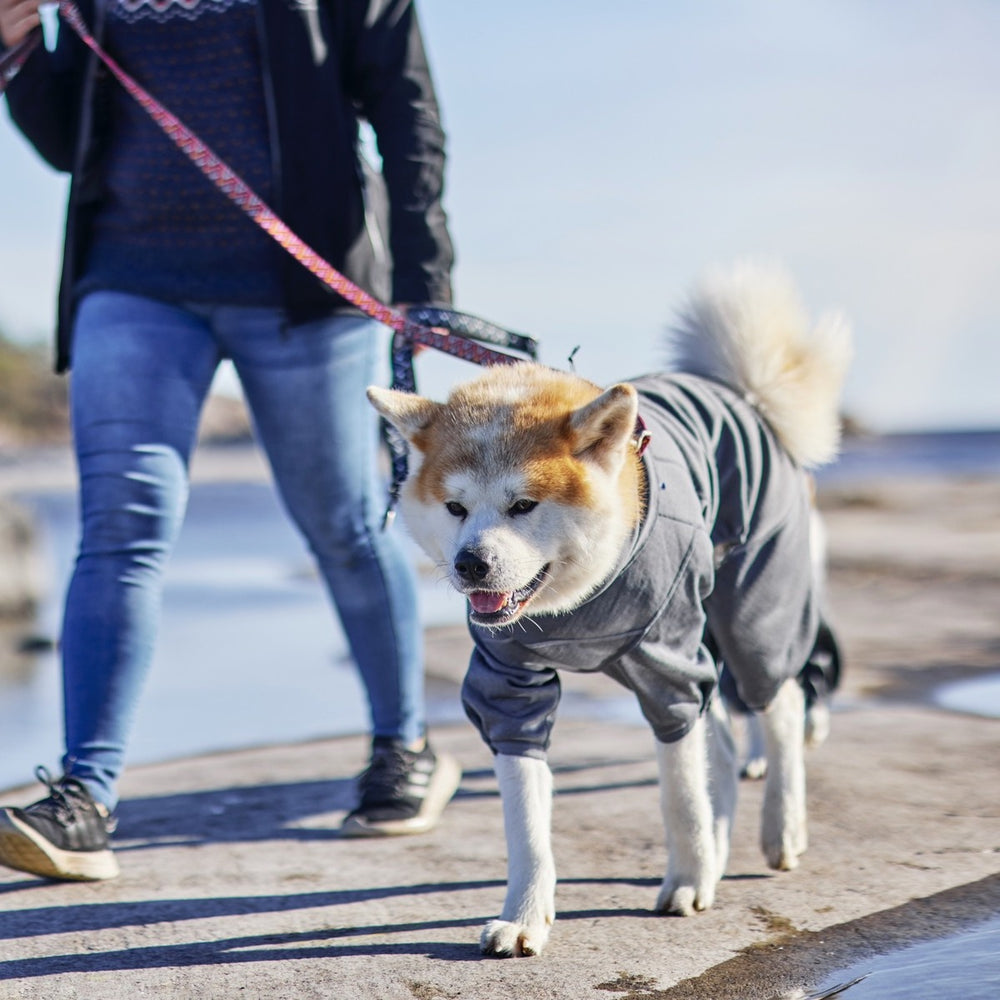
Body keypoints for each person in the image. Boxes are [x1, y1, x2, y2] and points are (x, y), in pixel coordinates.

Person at [0, 0, 460, 882]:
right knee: (120, 529)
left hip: (306, 288)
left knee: (341, 523)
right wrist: (20, 48)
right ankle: (84, 798)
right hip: (132, 281)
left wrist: (422, 280)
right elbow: (71, 143)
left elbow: (407, 107)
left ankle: (405, 748)